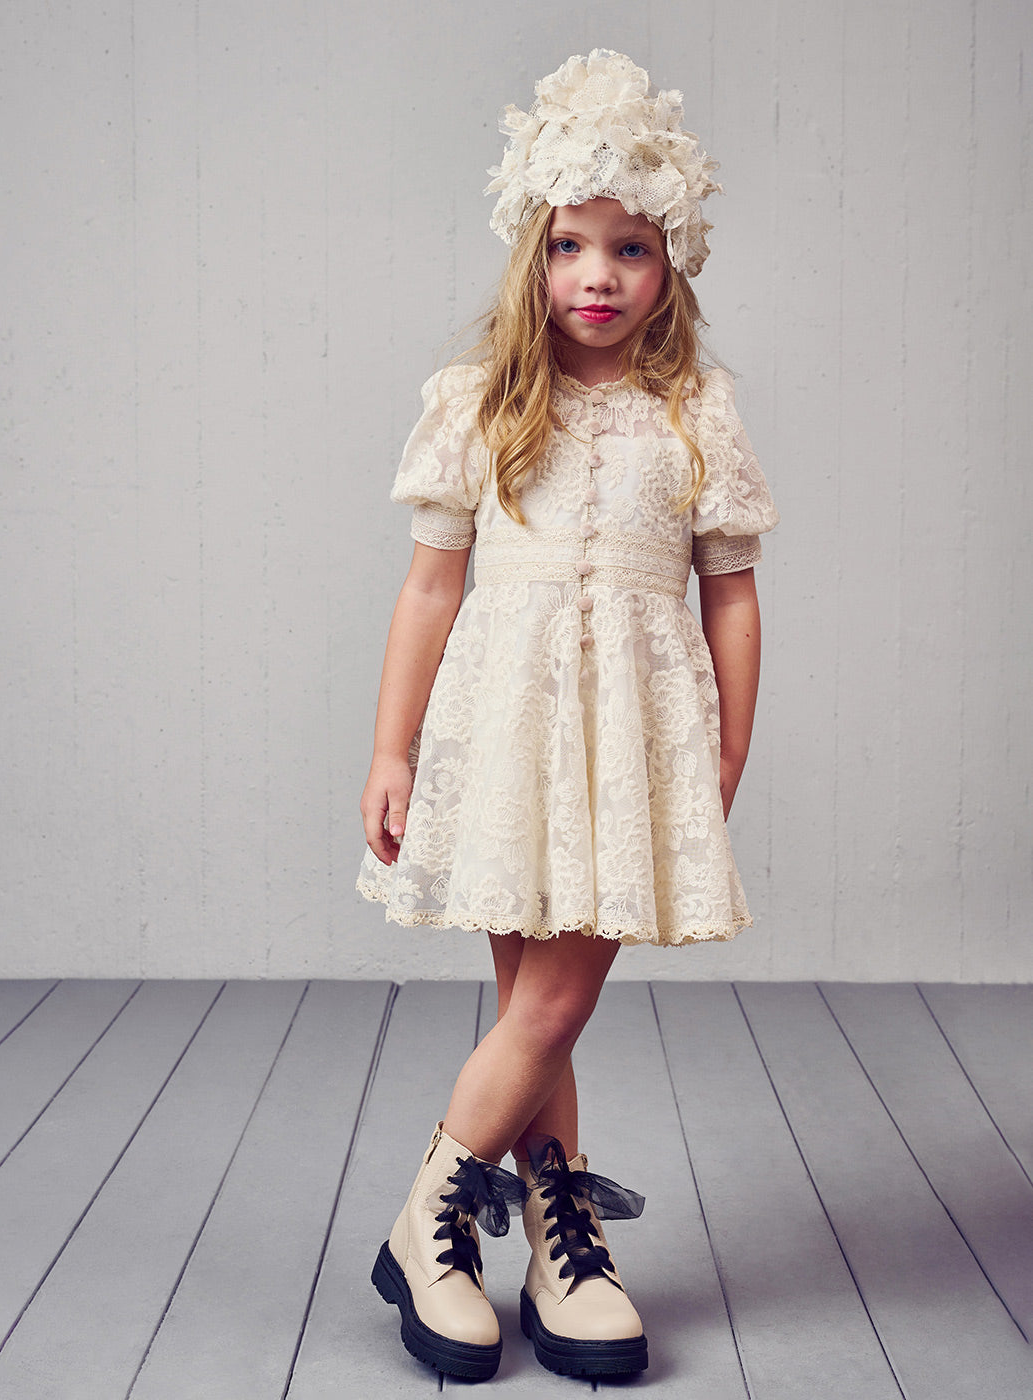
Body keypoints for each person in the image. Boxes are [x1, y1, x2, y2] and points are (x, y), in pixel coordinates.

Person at [358, 49, 779, 1382]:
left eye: (630, 249)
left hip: (634, 738)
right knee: (530, 1003)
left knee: (548, 1002)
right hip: (507, 727)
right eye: (569, 246)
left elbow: (730, 597)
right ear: (531, 256)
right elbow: (431, 588)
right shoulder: (481, 401)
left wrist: (723, 746)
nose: (598, 276)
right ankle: (550, 1244)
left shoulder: (695, 410)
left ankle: (428, 1217)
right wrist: (391, 746)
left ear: (671, 264)